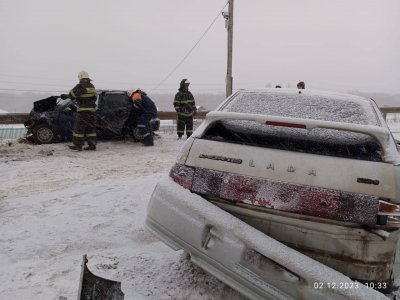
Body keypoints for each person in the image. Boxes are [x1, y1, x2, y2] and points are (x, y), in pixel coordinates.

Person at [61, 70, 97, 151]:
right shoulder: (92, 86)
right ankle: (92, 145)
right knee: (90, 129)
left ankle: (78, 145)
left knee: (79, 129)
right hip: (92, 111)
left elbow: (72, 95)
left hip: (83, 111)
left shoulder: (80, 86)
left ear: (80, 78)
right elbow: (94, 97)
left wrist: (65, 96)